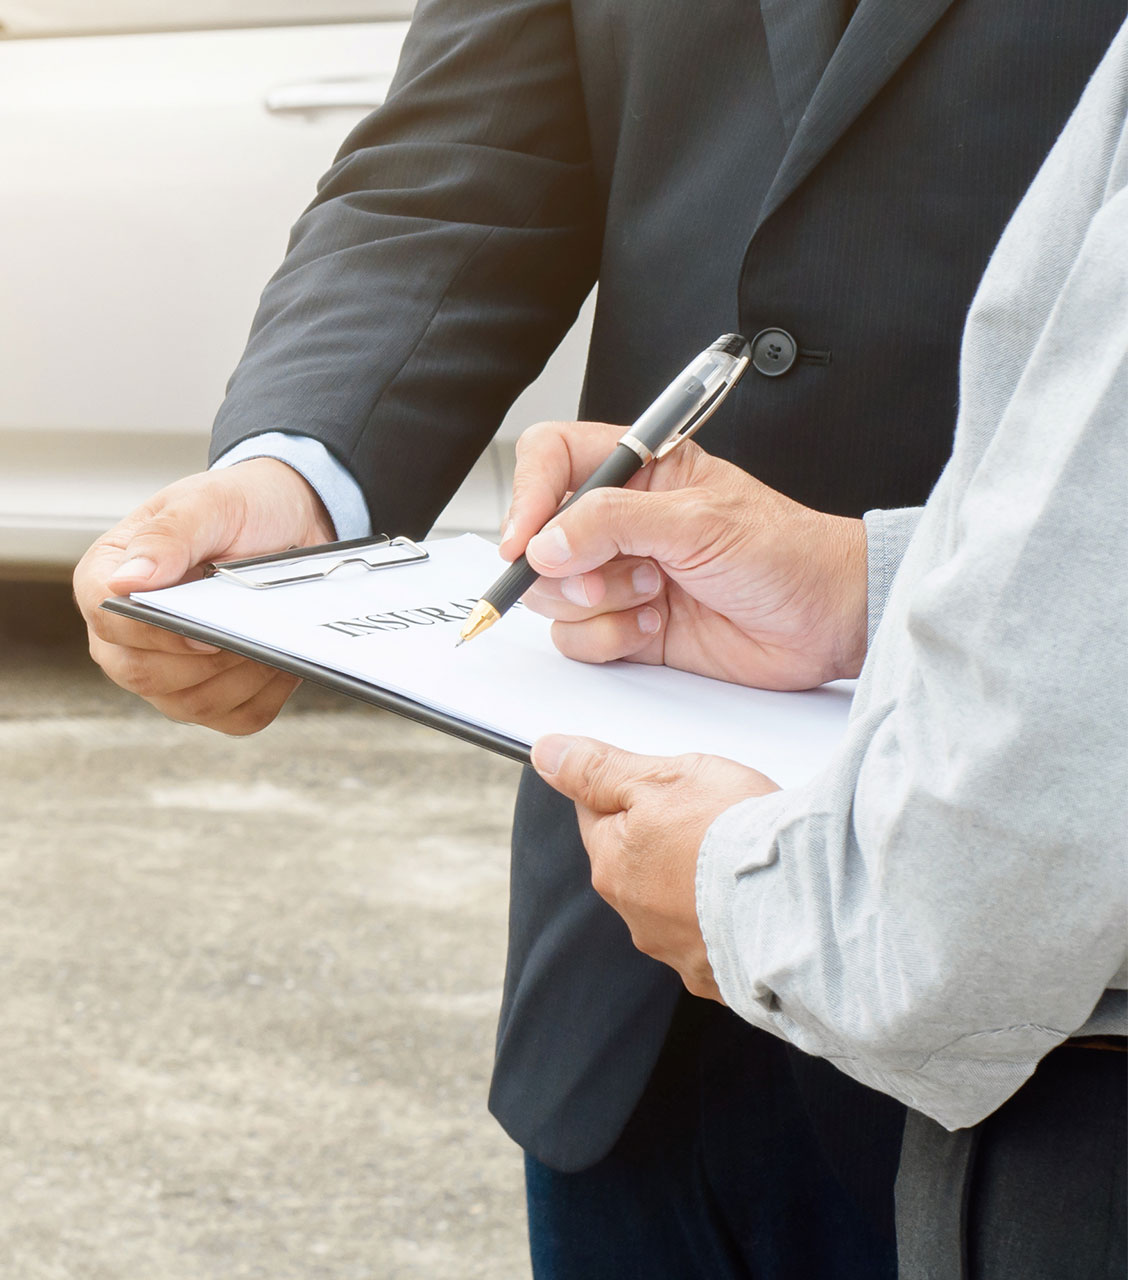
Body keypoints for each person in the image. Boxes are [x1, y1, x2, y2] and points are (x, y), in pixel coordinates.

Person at [75, 2, 1126, 1275]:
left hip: (1054, 1023)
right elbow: (461, 163)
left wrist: (877, 576)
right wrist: (301, 484)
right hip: (625, 963)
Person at [501, 19, 1128, 1273]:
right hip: (624, 1000)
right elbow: (459, 155)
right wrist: (864, 581)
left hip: (1033, 1062)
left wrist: (769, 903)